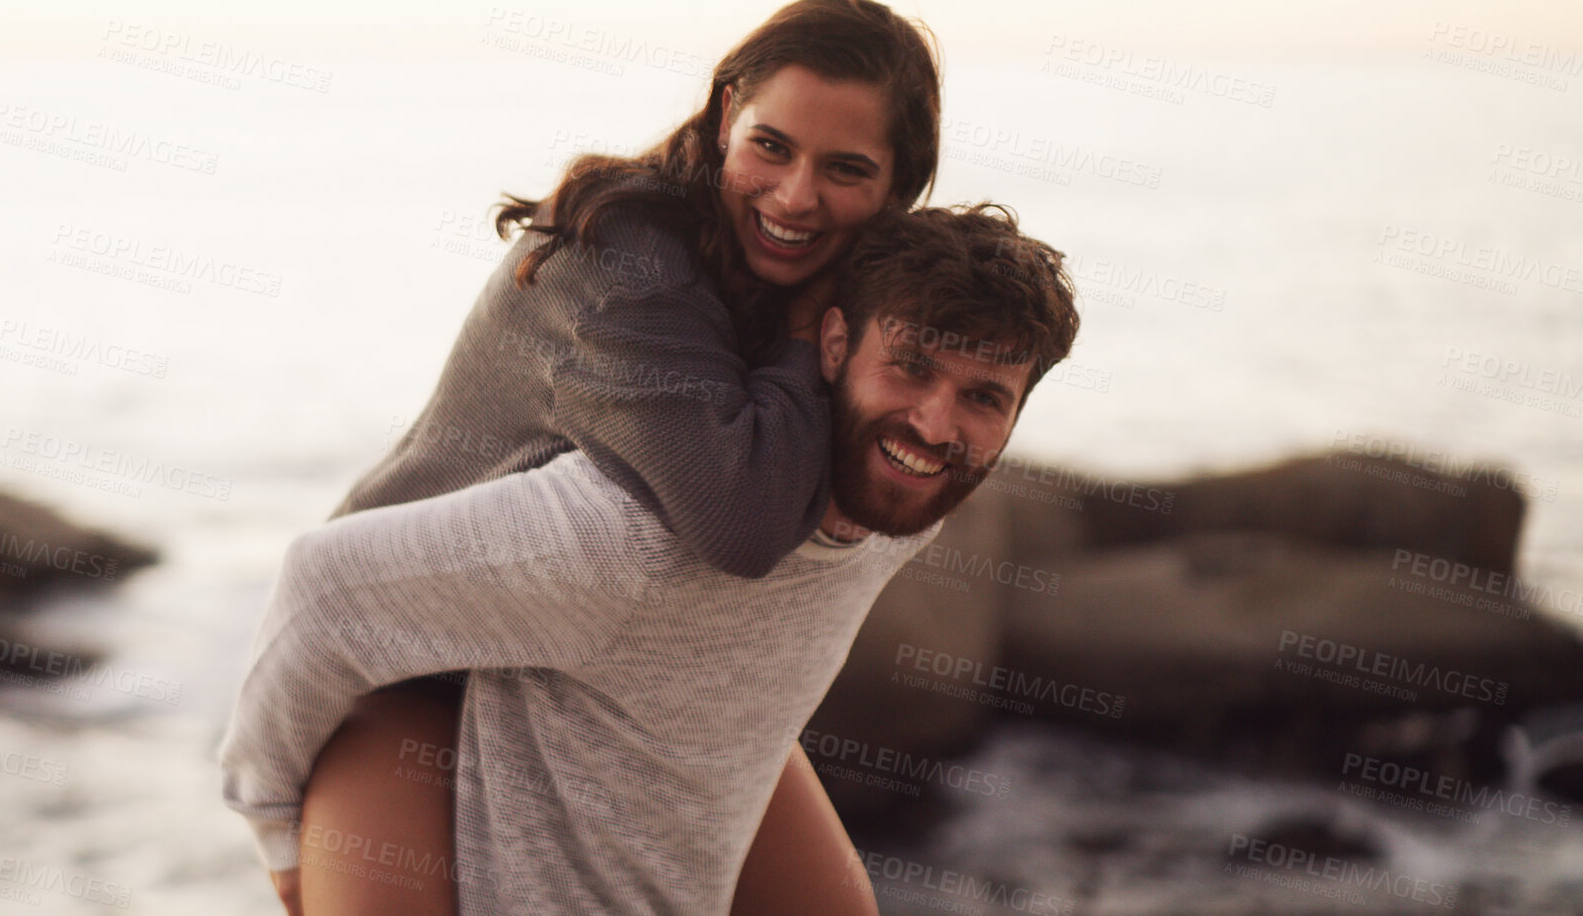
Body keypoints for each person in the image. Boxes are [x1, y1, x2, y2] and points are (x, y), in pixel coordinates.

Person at [247, 0, 945, 914]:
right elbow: (738, 518)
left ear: (899, 186)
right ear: (726, 115)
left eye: (845, 168)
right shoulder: (622, 257)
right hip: (419, 667)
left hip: (613, 683)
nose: (793, 195)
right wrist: (271, 823)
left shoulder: (841, 287)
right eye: (770, 146)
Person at [219, 204, 1081, 914]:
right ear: (831, 346)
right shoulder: (631, 537)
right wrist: (274, 833)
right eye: (909, 368)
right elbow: (323, 587)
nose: (933, 424)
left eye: (982, 397)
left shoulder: (905, 504)